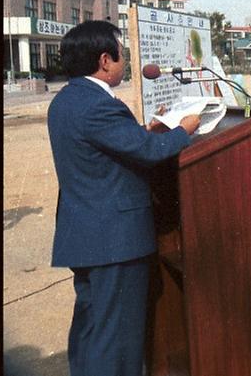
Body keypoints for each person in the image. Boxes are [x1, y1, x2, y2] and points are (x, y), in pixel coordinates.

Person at [48, 21, 201, 376]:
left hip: (85, 235)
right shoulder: (100, 106)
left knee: (91, 329)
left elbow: (103, 149)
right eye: (122, 55)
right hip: (114, 240)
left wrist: (141, 132)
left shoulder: (67, 101)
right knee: (116, 340)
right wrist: (184, 130)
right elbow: (149, 152)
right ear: (105, 60)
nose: (126, 63)